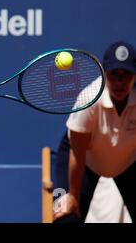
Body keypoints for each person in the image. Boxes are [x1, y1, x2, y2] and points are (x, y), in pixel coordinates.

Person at [53, 41, 136, 222]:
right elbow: (77, 152)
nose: (119, 82)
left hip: (128, 161)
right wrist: (73, 196)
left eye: (126, 75)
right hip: (83, 158)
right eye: (114, 74)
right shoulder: (89, 99)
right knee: (65, 214)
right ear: (105, 73)